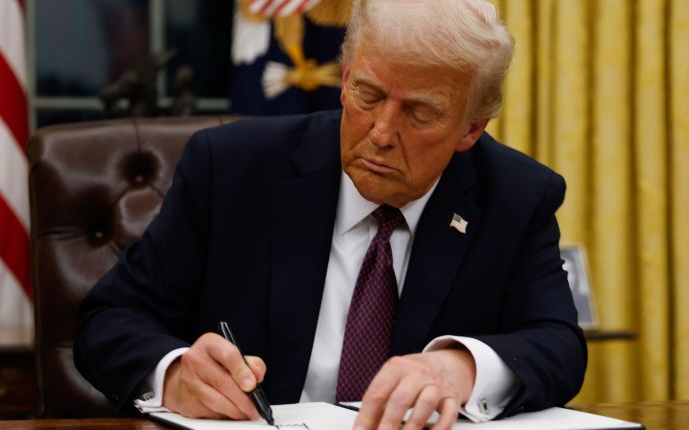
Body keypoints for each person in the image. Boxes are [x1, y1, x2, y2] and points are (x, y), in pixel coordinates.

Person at [74, 0, 587, 428]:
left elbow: (558, 344)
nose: (382, 132)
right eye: (368, 95)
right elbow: (110, 320)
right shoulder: (231, 170)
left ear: (471, 129)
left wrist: (459, 368)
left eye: (420, 113)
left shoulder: (516, 197)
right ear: (343, 80)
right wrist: (175, 371)